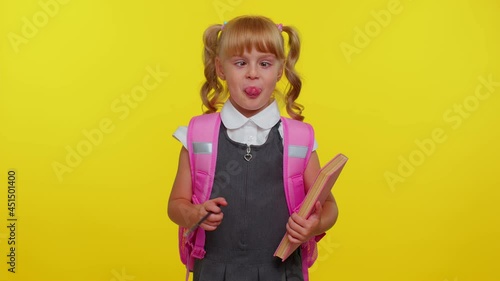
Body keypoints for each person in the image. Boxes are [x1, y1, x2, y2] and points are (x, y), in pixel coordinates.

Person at [168, 15, 339, 281]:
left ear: (280, 70)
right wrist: (193, 214)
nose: (252, 73)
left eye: (265, 63)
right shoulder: (196, 136)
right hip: (214, 271)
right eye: (240, 63)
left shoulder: (299, 139)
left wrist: (313, 226)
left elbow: (328, 206)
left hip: (282, 272)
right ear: (221, 68)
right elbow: (175, 205)